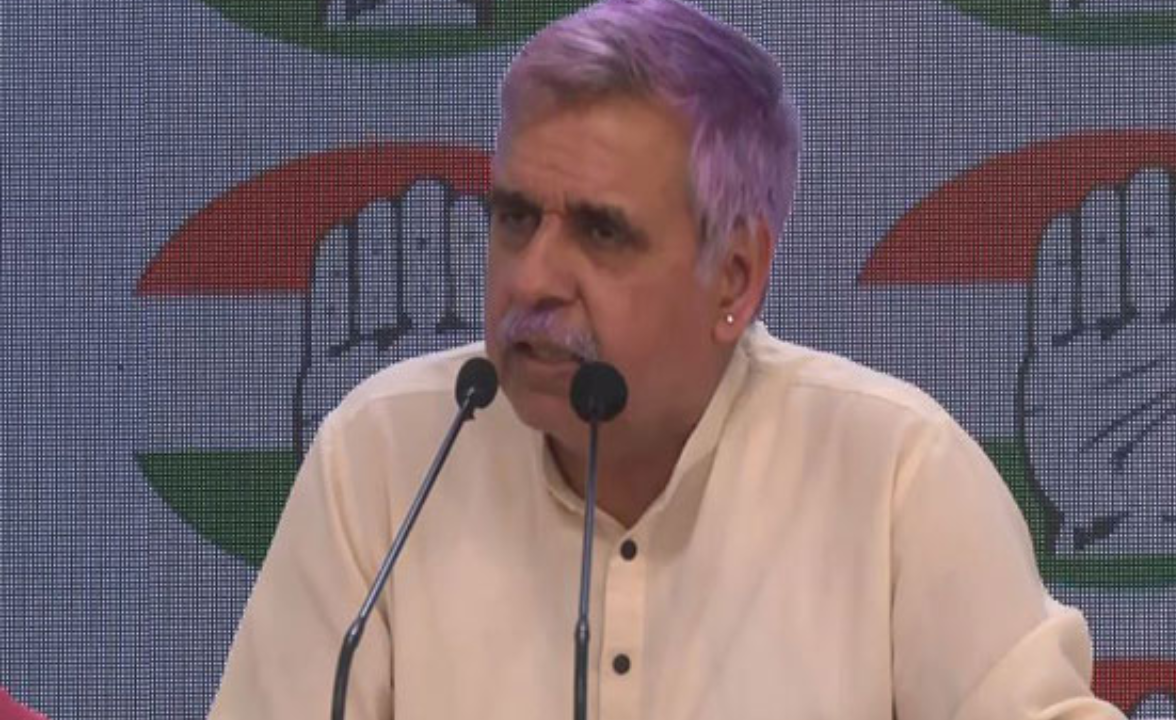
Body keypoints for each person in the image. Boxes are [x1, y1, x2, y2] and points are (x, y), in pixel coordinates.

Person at [209, 0, 1128, 717]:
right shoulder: (385, 459)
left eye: (601, 233)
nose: (533, 278)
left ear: (734, 276)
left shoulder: (894, 478)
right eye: (516, 218)